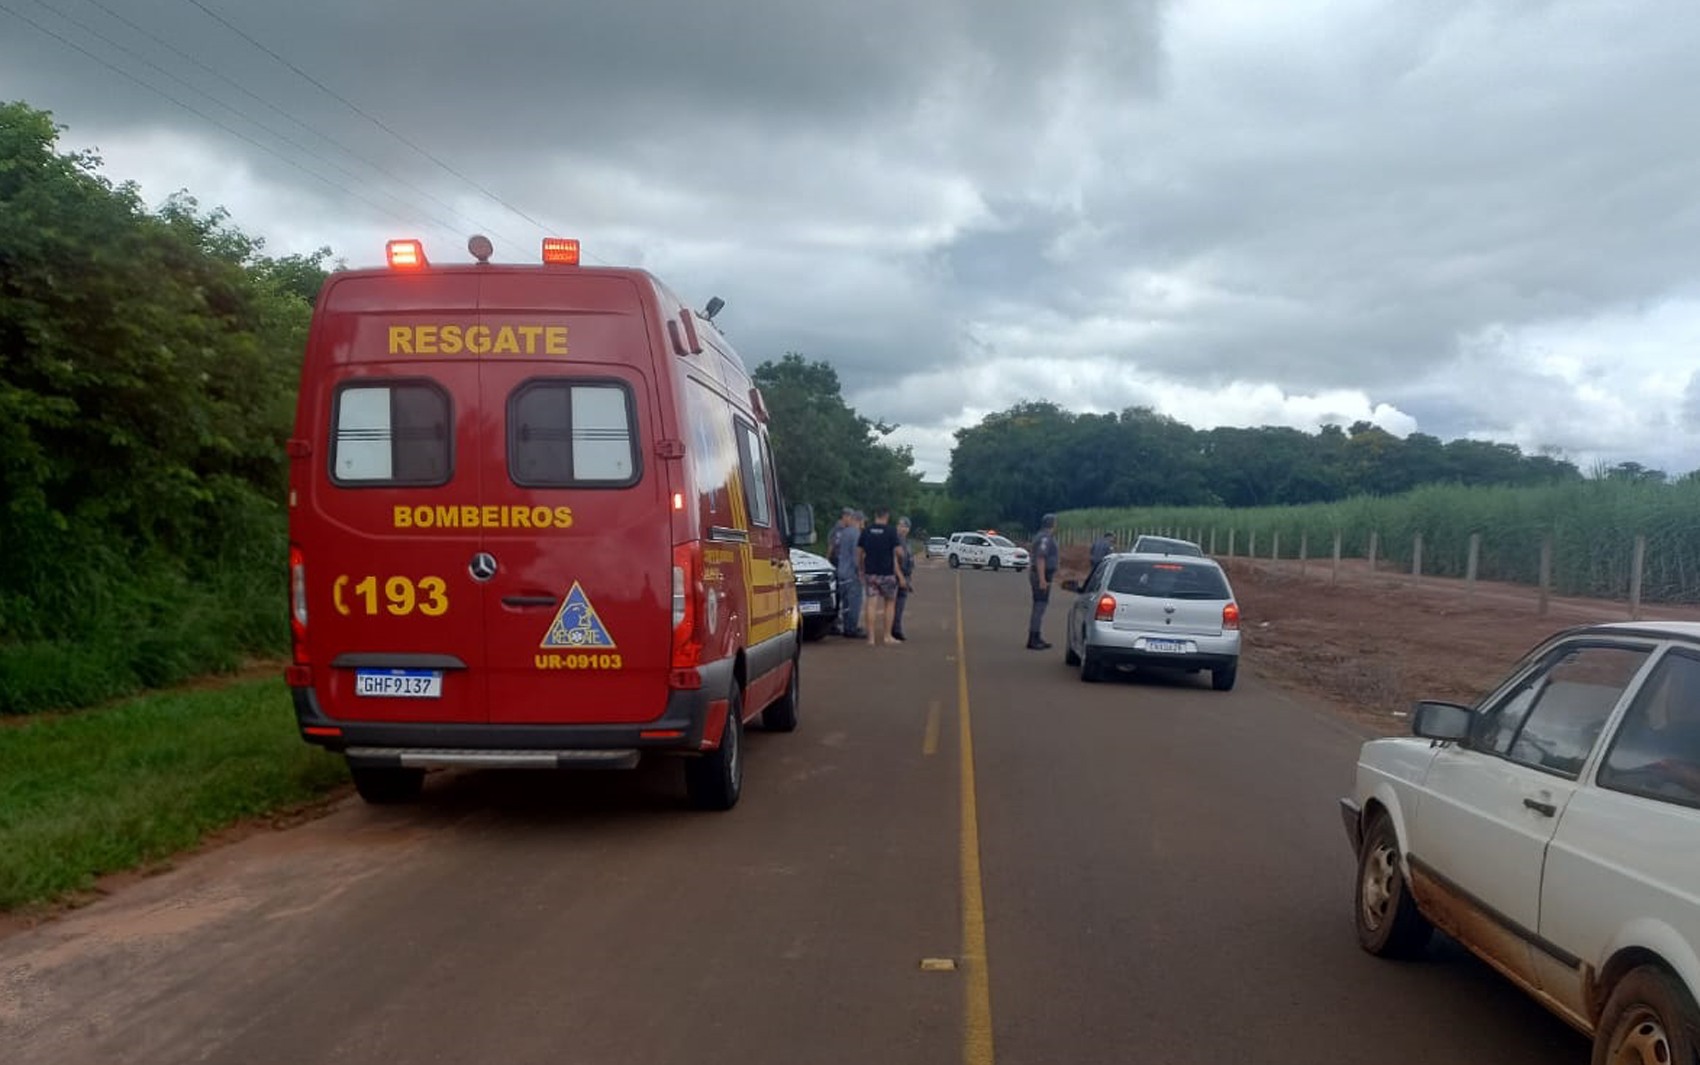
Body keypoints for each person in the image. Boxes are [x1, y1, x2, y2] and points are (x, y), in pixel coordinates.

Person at [857, 506, 906, 646]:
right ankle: (887, 636)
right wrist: (900, 562)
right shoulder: (891, 531)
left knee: (871, 603)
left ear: (875, 515)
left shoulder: (866, 531)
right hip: (887, 573)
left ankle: (870, 638)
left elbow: (859, 551)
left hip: (870, 572)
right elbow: (899, 552)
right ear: (887, 516)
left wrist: (861, 567)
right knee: (889, 603)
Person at [828, 507, 864, 638]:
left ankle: (846, 627)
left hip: (841, 571)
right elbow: (856, 556)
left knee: (845, 602)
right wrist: (860, 570)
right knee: (854, 601)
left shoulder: (843, 533)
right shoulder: (856, 534)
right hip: (851, 573)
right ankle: (851, 628)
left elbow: (834, 549)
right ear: (859, 521)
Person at [1027, 513, 1060, 650]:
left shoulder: (1040, 536)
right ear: (1052, 524)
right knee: (1039, 607)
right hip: (1042, 575)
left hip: (1041, 573)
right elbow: (1041, 558)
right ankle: (1033, 638)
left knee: (1039, 607)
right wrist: (1042, 579)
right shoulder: (1046, 538)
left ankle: (1036, 635)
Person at [892, 516, 915, 641]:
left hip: (905, 575)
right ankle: (894, 629)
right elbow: (894, 560)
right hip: (895, 576)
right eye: (901, 526)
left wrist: (908, 580)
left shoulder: (907, 542)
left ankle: (896, 628)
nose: (903, 529)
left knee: (900, 605)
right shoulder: (895, 541)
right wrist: (900, 577)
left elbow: (910, 561)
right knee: (893, 604)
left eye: (906, 527)